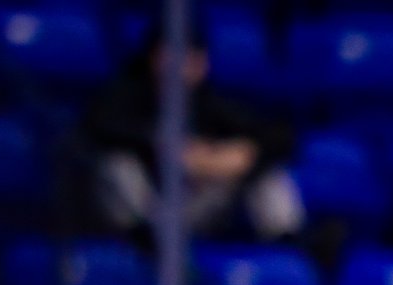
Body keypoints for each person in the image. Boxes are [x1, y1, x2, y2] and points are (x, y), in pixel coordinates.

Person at [87, 33, 303, 247]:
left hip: (194, 207)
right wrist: (169, 150)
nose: (183, 66)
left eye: (193, 58)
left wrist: (236, 157)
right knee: (118, 165)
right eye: (173, 54)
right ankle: (146, 240)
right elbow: (99, 128)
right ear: (155, 57)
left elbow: (279, 138)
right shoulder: (127, 94)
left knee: (268, 173)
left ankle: (288, 245)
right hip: (146, 209)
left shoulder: (210, 103)